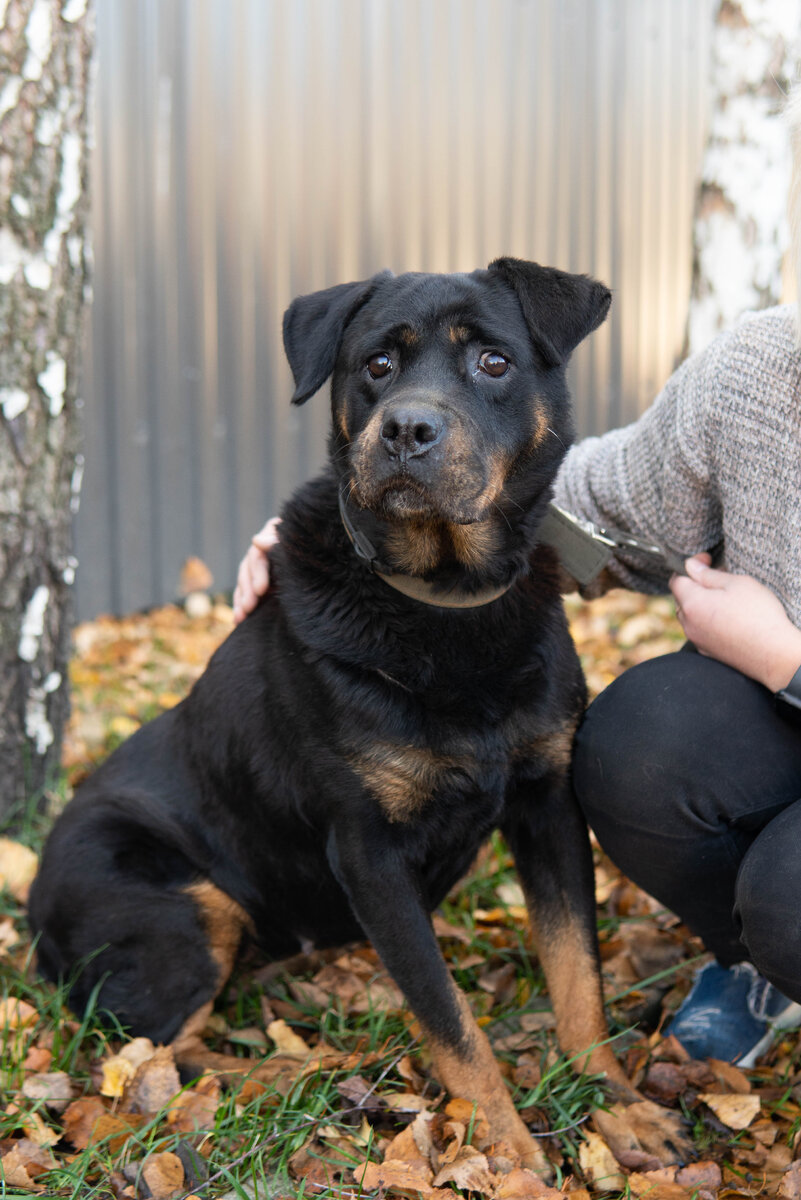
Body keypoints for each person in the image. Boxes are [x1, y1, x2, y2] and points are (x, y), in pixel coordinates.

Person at [233, 113, 801, 1071]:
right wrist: (311, 532)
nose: (416, 408)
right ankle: (766, 967)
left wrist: (788, 663)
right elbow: (588, 495)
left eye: (486, 361)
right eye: (385, 371)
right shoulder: (765, 373)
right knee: (639, 739)